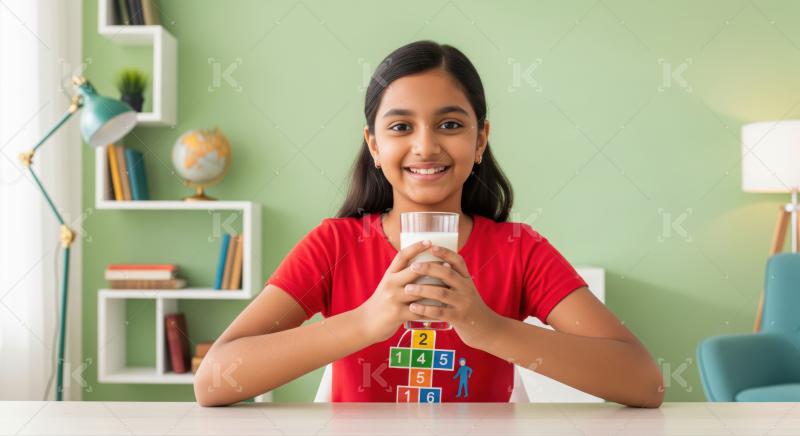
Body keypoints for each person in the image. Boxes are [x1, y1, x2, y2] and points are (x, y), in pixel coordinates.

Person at [194, 40, 664, 407]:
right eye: (401, 127)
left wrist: (486, 328)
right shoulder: (334, 245)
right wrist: (365, 322)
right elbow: (213, 382)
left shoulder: (519, 249)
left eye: (450, 125)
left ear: (481, 139)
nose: (425, 146)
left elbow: (644, 382)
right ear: (374, 145)